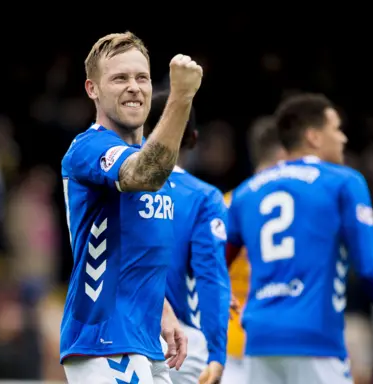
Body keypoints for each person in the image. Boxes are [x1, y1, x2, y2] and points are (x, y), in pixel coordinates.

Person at [225, 93, 373, 384]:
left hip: (258, 338)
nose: (343, 139)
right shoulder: (343, 181)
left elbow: (212, 264)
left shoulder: (246, 192)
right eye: (336, 128)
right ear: (313, 136)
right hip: (315, 338)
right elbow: (370, 268)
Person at [60, 32, 202, 383]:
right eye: (119, 78)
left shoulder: (158, 163)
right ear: (92, 89)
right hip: (104, 339)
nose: (134, 87)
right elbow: (145, 173)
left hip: (144, 339)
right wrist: (182, 96)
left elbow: (134, 254)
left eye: (142, 78)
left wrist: (163, 310)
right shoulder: (89, 148)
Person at [144, 91, 231, 384]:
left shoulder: (110, 184)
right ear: (193, 137)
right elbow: (211, 278)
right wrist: (217, 354)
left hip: (116, 335)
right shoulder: (203, 197)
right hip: (178, 345)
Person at [220, 115, 287, 384]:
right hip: (281, 340)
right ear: (284, 151)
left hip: (228, 343)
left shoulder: (225, 204)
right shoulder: (301, 206)